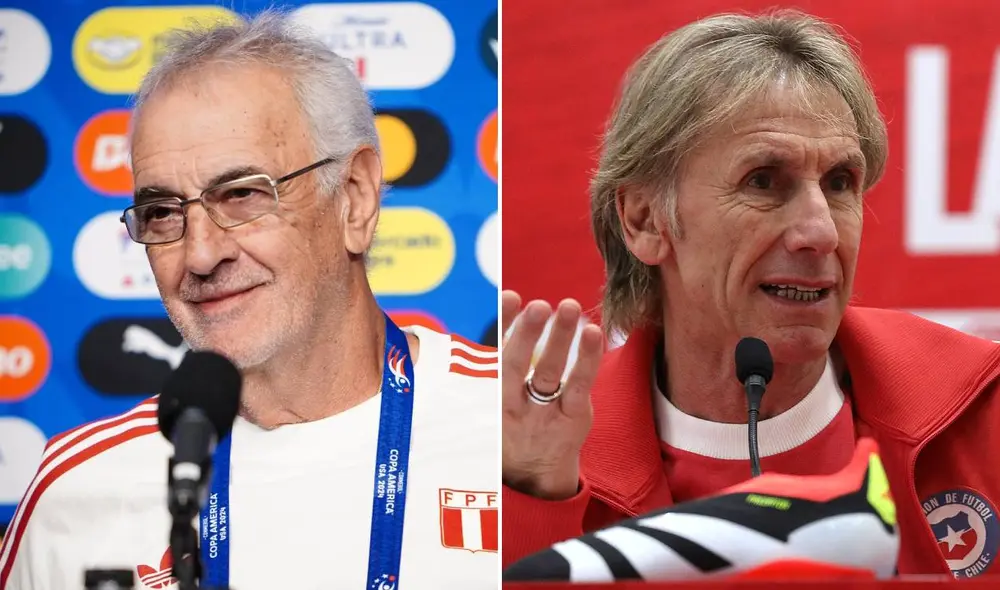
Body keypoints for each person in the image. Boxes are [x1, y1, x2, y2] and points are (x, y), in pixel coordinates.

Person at [0, 11, 498, 590]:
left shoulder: (507, 426)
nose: (200, 254)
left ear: (355, 199)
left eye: (240, 194)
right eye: (161, 212)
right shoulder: (75, 491)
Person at [502, 10, 1000, 579]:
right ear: (644, 220)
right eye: (763, 180)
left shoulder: (978, 412)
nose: (822, 232)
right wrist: (534, 506)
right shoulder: (539, 463)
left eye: (840, 183)